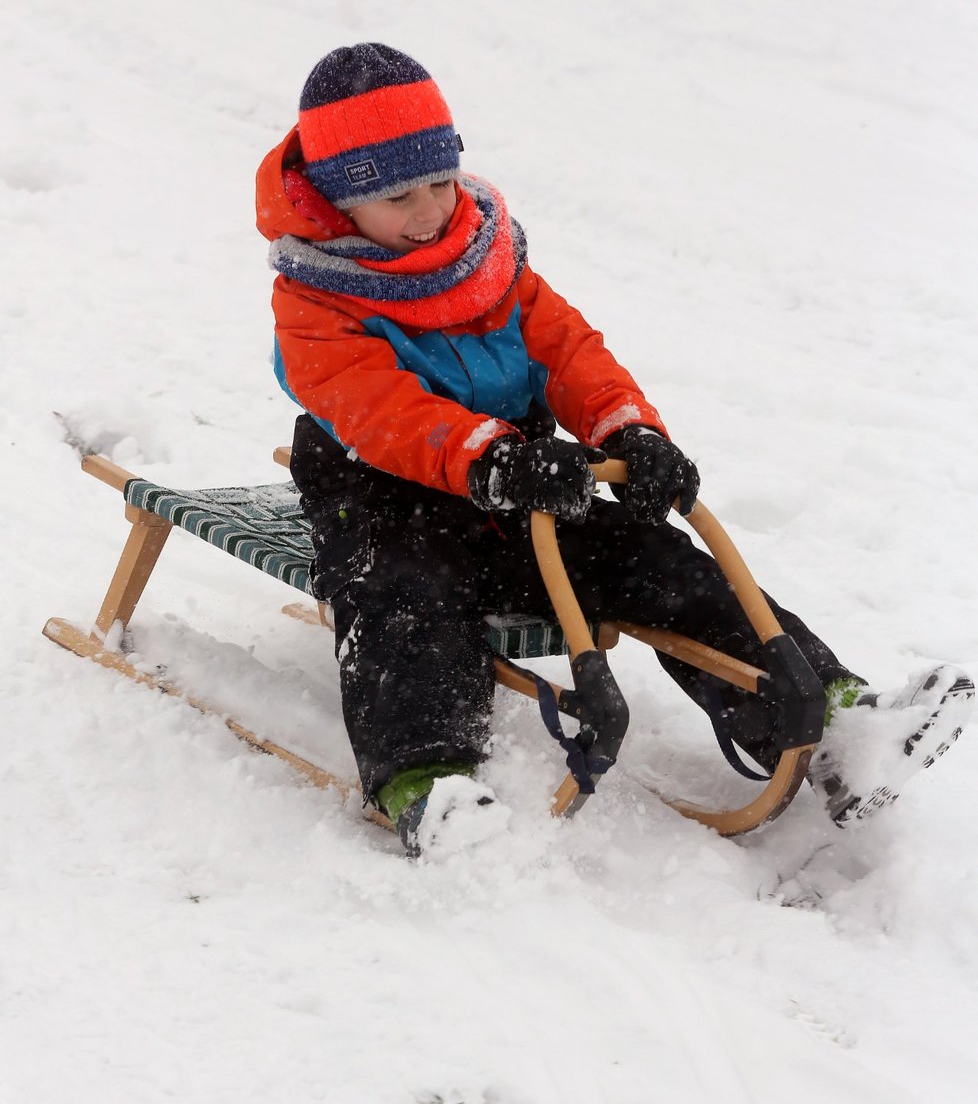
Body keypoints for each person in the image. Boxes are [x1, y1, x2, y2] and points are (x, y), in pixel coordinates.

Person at [257, 43, 972, 857]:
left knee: (659, 560)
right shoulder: (314, 293)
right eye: (396, 196)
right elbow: (373, 404)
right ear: (341, 200)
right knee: (404, 599)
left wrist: (626, 427)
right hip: (386, 497)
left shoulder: (483, 256)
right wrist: (483, 452)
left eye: (440, 182)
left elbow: (564, 348)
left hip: (519, 491)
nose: (428, 210)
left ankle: (833, 724)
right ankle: (428, 781)